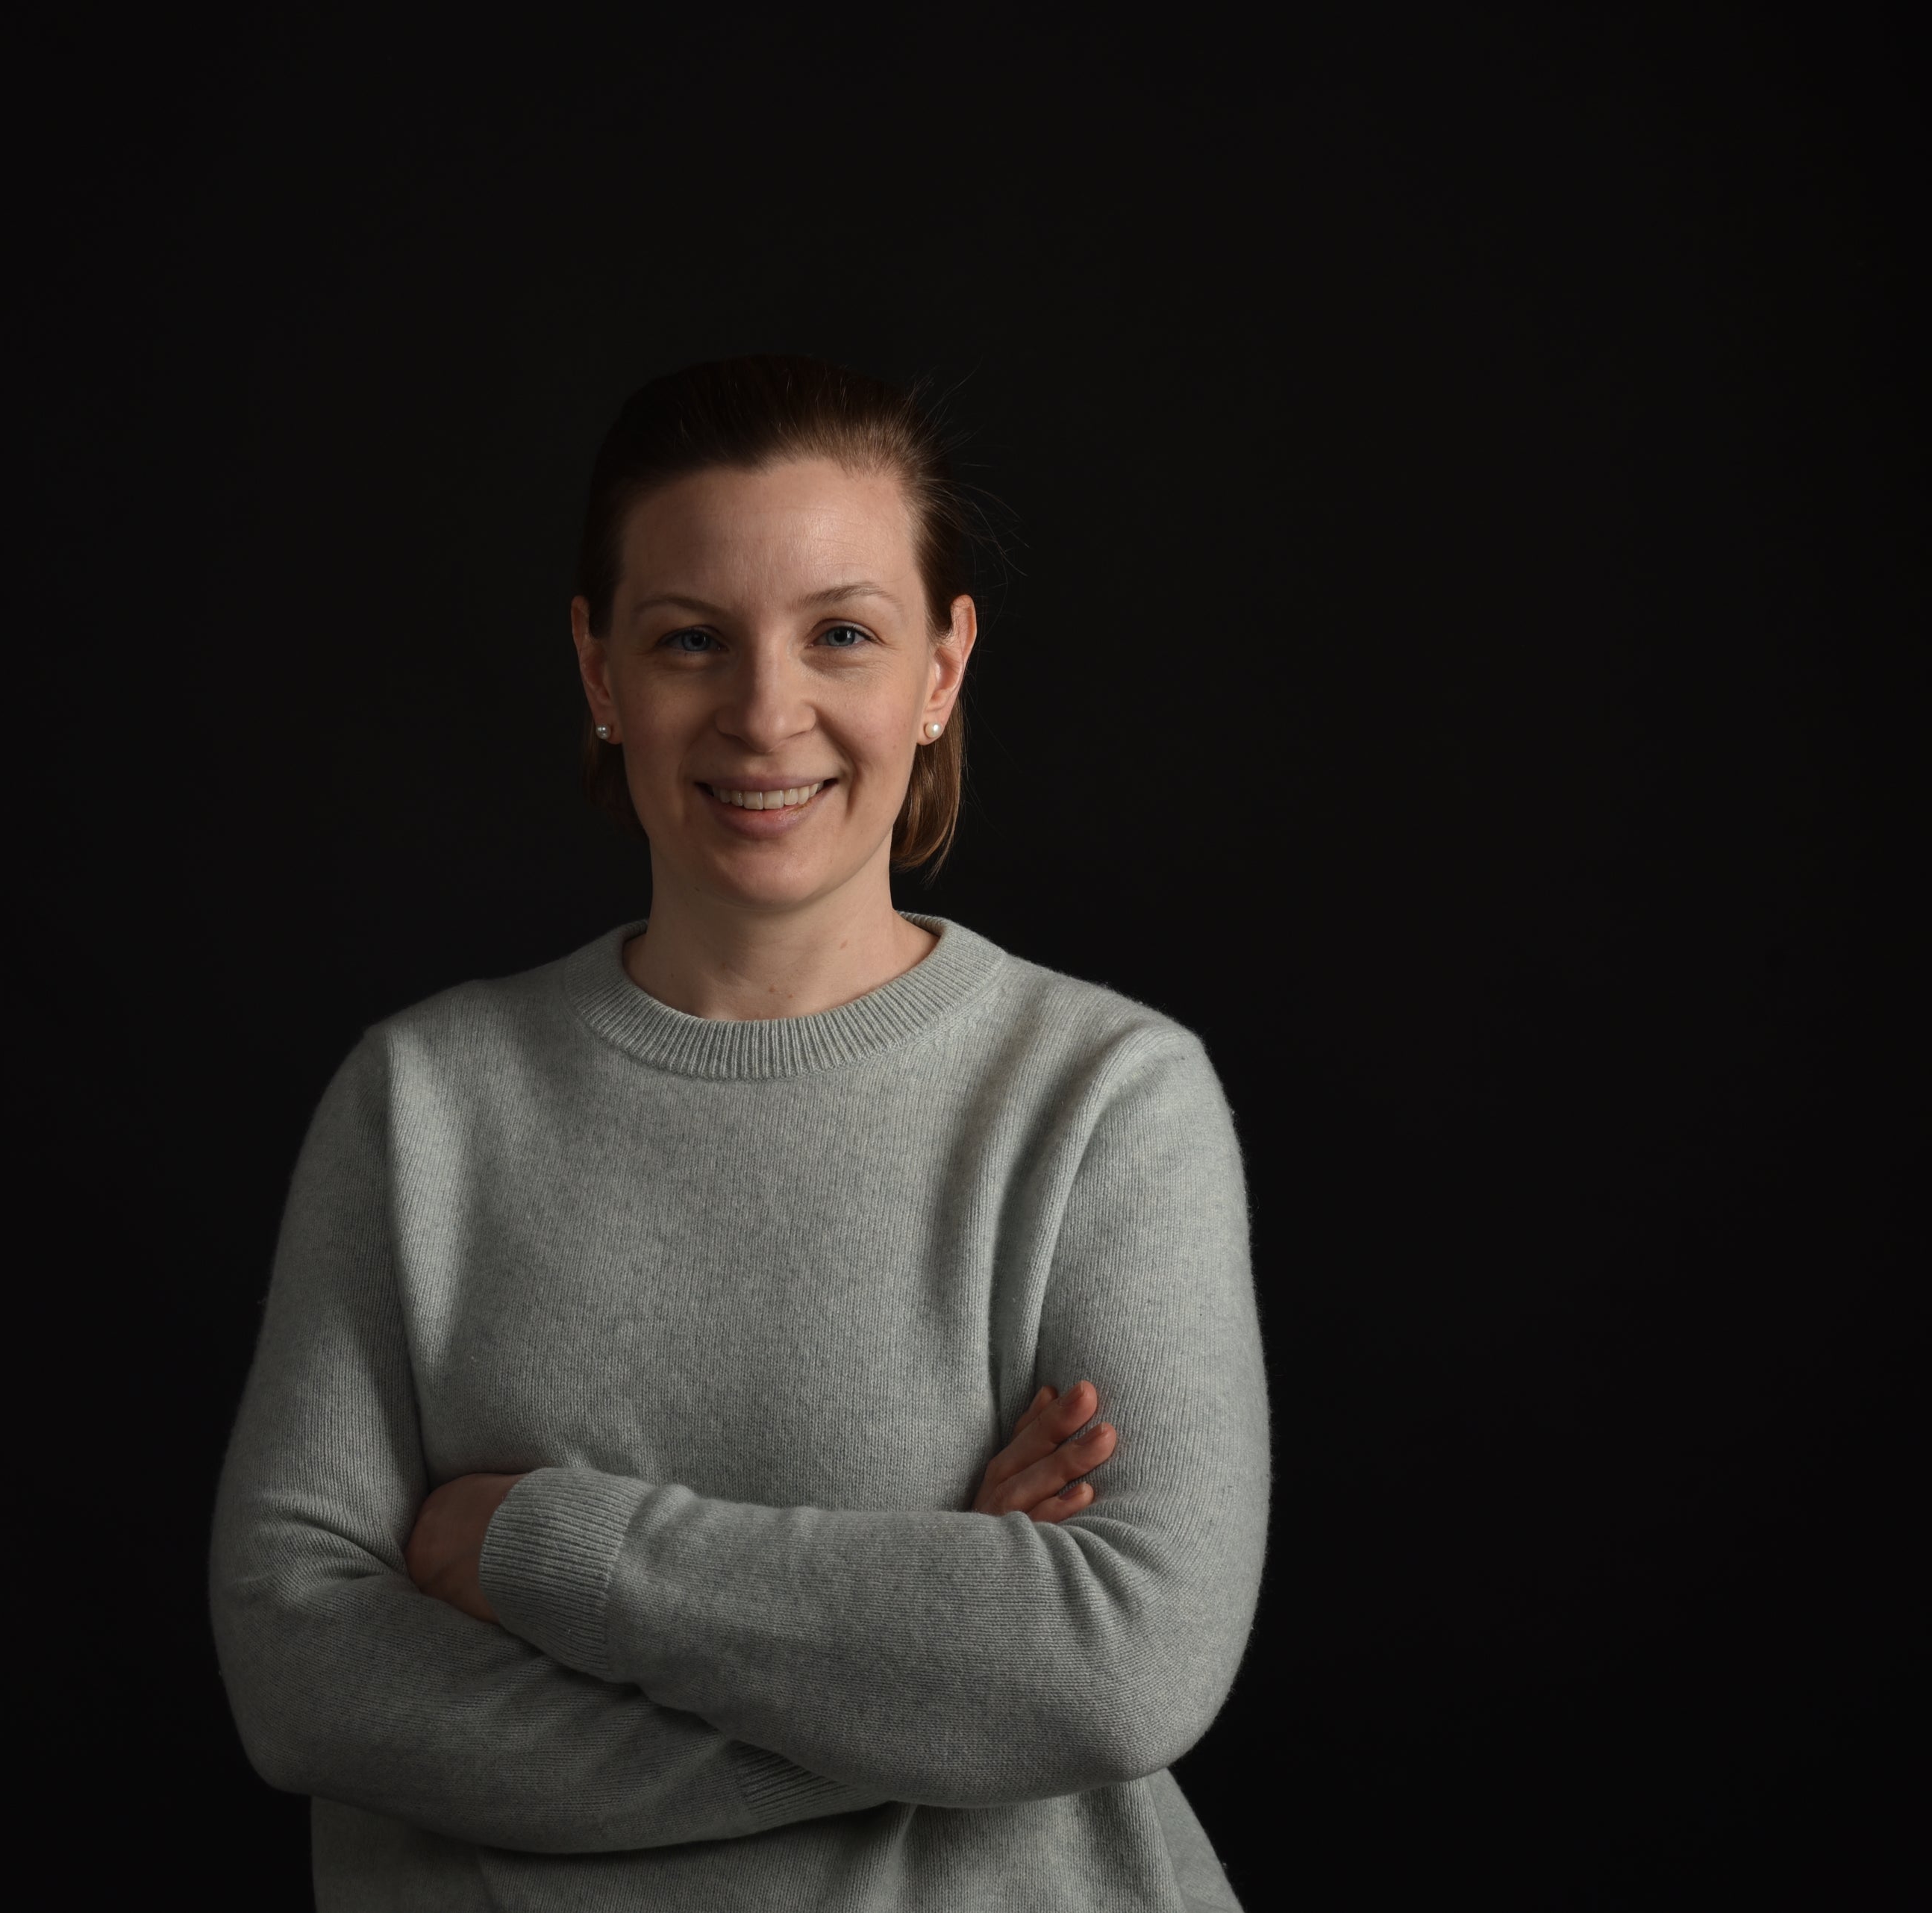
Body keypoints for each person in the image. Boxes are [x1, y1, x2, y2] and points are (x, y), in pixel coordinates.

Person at [207, 355, 1269, 1910]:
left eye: (843, 633)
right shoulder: (420, 1107)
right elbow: (300, 1675)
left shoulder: (1107, 1101)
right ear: (600, 671)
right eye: (691, 639)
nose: (767, 714)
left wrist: (533, 1549)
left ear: (941, 669)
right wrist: (928, 1676)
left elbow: (1119, 1670)